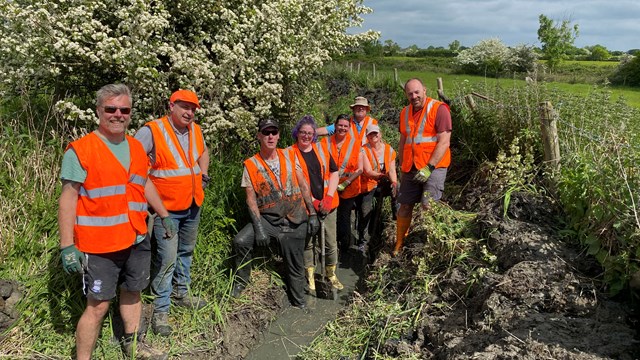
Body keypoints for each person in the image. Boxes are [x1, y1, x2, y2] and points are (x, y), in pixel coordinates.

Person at [58, 83, 172, 359]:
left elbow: (143, 184)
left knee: (133, 292)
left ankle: (134, 346)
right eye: (111, 109)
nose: (118, 114)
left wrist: (165, 215)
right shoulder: (81, 150)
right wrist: (66, 245)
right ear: (99, 111)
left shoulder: (135, 147)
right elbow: (67, 199)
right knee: (97, 306)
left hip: (135, 237)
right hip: (99, 246)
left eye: (124, 110)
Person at [134, 89, 210, 336]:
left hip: (192, 204)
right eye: (184, 107)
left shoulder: (195, 130)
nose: (189, 112)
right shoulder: (152, 131)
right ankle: (160, 311)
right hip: (165, 210)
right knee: (166, 259)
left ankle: (181, 293)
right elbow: (134, 165)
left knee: (185, 252)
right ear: (171, 106)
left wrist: (203, 174)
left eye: (193, 108)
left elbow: (203, 152)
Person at [231, 118, 319, 309]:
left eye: (274, 132)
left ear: (278, 135)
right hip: (269, 220)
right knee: (241, 240)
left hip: (295, 218)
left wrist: (312, 214)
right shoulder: (251, 164)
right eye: (266, 132)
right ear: (259, 136)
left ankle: (300, 303)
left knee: (295, 267)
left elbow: (304, 185)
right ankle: (241, 281)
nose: (270, 136)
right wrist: (259, 228)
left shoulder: (291, 156)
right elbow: (251, 200)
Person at [394, 78, 452, 256]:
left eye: (417, 92)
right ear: (406, 95)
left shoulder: (439, 109)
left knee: (428, 207)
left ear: (425, 90)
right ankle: (399, 242)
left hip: (433, 167)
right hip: (410, 167)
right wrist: (401, 163)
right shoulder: (404, 113)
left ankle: (429, 246)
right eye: (410, 93)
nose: (414, 96)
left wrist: (429, 167)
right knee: (404, 206)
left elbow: (444, 141)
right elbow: (404, 140)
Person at [287, 115, 343, 294]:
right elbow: (294, 183)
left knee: (330, 242)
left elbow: (334, 173)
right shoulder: (289, 153)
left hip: (328, 204)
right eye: (302, 132)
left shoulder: (322, 150)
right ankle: (309, 275)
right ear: (297, 133)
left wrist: (328, 197)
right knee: (308, 242)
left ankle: (331, 274)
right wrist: (312, 201)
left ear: (314, 135)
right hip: (304, 206)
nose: (306, 136)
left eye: (310, 133)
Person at [321, 114, 364, 254]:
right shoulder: (325, 142)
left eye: (346, 126)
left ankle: (344, 247)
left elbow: (360, 169)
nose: (343, 128)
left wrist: (346, 183)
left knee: (344, 216)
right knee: (330, 215)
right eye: (340, 125)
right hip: (329, 187)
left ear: (349, 127)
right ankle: (329, 246)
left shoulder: (355, 144)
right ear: (335, 126)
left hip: (348, 187)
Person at [361, 124, 398, 259]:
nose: (374, 136)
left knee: (397, 190)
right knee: (365, 211)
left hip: (385, 182)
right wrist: (381, 176)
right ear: (367, 137)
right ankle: (364, 240)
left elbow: (392, 170)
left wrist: (393, 182)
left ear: (380, 134)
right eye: (371, 134)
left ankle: (396, 220)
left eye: (376, 134)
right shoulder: (364, 150)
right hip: (369, 183)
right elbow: (368, 171)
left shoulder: (389, 150)